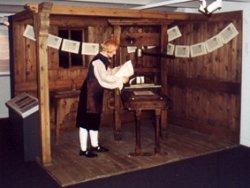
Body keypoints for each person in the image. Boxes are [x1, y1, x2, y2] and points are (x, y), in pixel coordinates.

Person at [76, 39, 129, 158]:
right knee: (85, 122)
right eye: (114, 50)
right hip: (89, 94)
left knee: (94, 119)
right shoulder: (98, 62)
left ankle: (95, 146)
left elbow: (108, 72)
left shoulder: (103, 60)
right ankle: (83, 150)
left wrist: (120, 70)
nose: (115, 53)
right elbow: (104, 77)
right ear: (109, 49)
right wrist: (120, 79)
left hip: (95, 94)